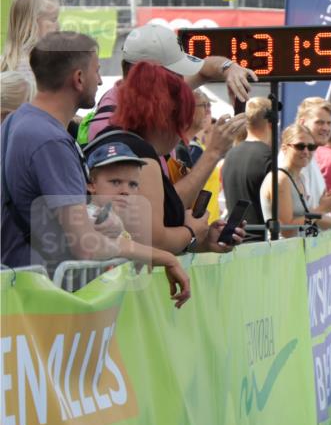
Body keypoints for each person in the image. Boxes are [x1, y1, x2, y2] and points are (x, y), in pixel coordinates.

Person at [1, 32, 190, 306]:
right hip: (45, 305)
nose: (101, 81)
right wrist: (161, 255)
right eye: (97, 71)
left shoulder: (18, 122)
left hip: (24, 297)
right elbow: (85, 245)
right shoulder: (50, 140)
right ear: (78, 78)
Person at [97, 61, 246, 255]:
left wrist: (203, 241)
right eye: (183, 123)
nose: (182, 135)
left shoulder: (121, 143)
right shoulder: (140, 155)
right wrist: (191, 231)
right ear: (166, 118)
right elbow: (154, 243)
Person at [85, 23, 257, 144]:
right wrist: (213, 153)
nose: (181, 80)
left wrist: (229, 68)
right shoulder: (112, 127)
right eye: (175, 72)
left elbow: (206, 68)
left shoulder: (152, 94)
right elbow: (158, 195)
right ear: (152, 75)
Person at [260, 125, 331, 238]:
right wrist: (322, 208)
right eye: (300, 146)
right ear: (284, 148)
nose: (306, 151)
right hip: (281, 251)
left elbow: (306, 220)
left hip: (299, 251)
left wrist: (325, 206)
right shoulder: (280, 179)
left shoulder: (301, 178)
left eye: (311, 147)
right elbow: (287, 230)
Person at [219, 96, 272, 235]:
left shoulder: (230, 155)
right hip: (262, 243)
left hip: (235, 239)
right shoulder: (268, 156)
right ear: (270, 123)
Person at [1, 0, 60, 78]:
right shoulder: (33, 66)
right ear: (31, 24)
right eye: (53, 19)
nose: (58, 25)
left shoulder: (9, 62)